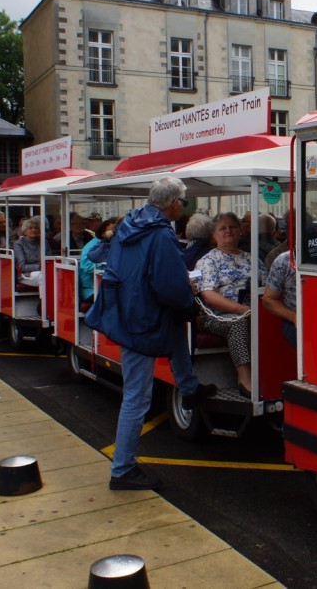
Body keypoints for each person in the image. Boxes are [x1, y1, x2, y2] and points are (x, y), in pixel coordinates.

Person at [86, 177, 211, 491]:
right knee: (136, 398)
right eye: (183, 202)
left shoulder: (130, 224)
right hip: (143, 317)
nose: (183, 208)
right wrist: (189, 300)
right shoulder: (160, 234)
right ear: (173, 203)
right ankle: (122, 469)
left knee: (176, 333)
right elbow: (170, 285)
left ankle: (189, 388)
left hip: (130, 309)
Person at [195, 212, 268, 397]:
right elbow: (208, 295)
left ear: (240, 231)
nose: (228, 231)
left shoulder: (252, 259)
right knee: (238, 322)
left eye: (233, 227)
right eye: (223, 228)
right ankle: (245, 379)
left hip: (254, 312)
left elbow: (267, 288)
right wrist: (243, 310)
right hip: (218, 317)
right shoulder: (208, 261)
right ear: (214, 235)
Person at [79, 217, 119, 304]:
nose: (115, 233)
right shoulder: (93, 245)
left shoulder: (116, 243)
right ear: (103, 233)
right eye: (112, 231)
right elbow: (87, 267)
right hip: (91, 288)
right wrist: (106, 265)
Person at [13, 216, 43, 288]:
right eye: (30, 228)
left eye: (36, 228)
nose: (34, 230)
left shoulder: (43, 242)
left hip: (43, 270)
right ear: (24, 231)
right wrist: (40, 267)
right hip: (26, 274)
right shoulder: (19, 244)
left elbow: (49, 258)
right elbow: (22, 266)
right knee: (43, 276)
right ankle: (45, 296)